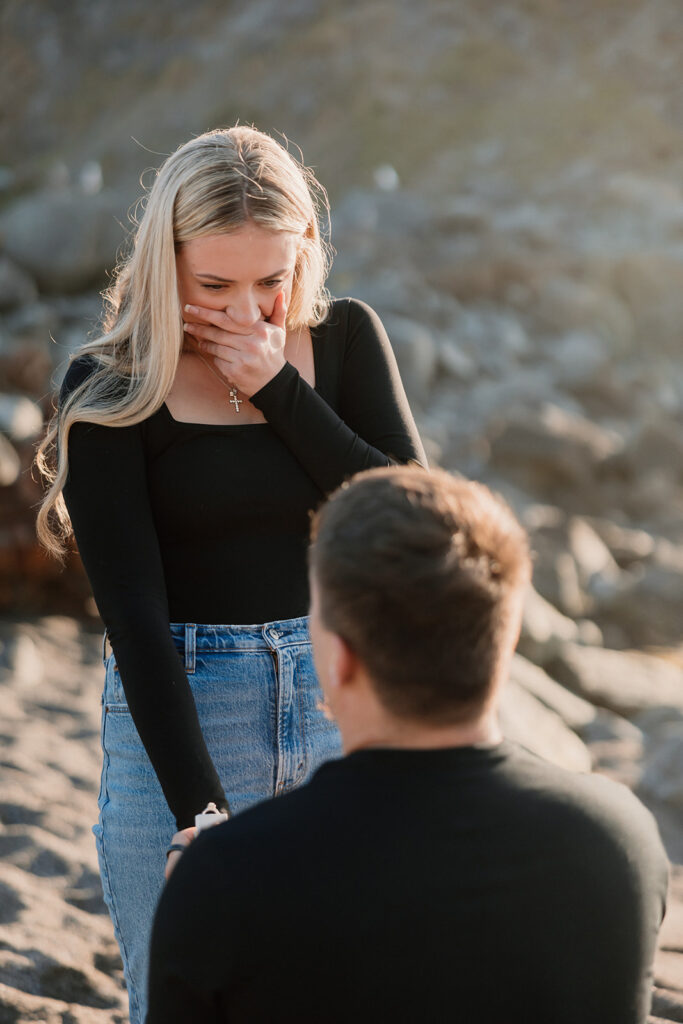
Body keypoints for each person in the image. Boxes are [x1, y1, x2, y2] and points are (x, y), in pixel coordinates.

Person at [35, 126, 426, 1024]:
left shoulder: (347, 341)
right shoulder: (106, 385)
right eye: (214, 285)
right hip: (181, 711)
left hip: (343, 709)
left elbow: (412, 520)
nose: (248, 310)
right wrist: (199, 814)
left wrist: (278, 388)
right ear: (164, 263)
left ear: (306, 256)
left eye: (272, 281)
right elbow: (132, 615)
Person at [148, 465, 668, 1024]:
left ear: (339, 658)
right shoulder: (621, 840)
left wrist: (193, 901)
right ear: (505, 639)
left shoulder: (228, 879)